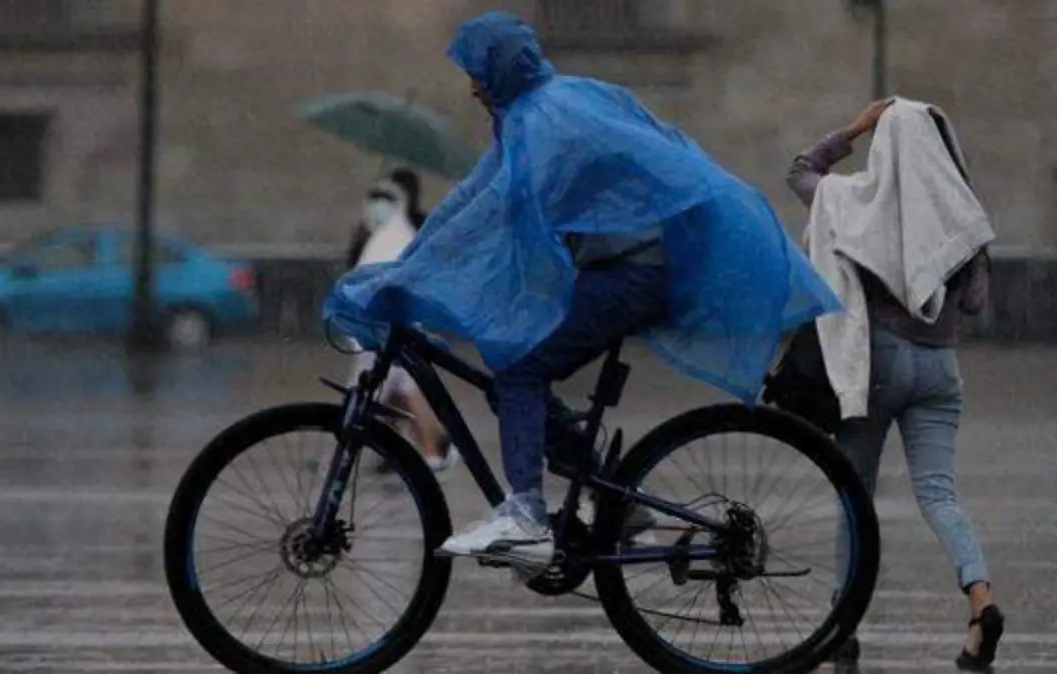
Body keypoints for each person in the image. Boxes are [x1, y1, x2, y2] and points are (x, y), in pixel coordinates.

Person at [325, 12, 840, 563]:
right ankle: (616, 498)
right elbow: (470, 198)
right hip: (621, 269)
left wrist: (414, 276)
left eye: (477, 72)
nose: (472, 86)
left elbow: (500, 209)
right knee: (512, 385)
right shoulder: (551, 104)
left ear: (499, 69)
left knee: (520, 366)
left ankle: (526, 515)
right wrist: (405, 266)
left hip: (630, 274)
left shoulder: (541, 121)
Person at [787, 98, 1002, 672]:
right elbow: (976, 304)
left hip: (875, 366)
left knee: (853, 495)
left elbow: (800, 171)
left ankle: (843, 626)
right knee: (939, 495)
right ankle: (981, 602)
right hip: (940, 370)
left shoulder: (854, 200)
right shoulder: (964, 216)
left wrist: (855, 128)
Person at [345, 176, 456, 473]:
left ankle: (432, 451)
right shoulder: (378, 235)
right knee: (397, 393)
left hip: (387, 327)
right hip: (380, 326)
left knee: (399, 391)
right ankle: (430, 446)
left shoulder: (399, 236)